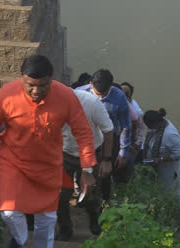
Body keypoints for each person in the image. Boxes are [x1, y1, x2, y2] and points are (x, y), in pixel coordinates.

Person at [0, 55, 97, 248]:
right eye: (30, 85)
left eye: (43, 85)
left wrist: (87, 170)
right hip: (13, 163)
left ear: (51, 79)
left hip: (48, 167)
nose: (36, 91)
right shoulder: (6, 95)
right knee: (9, 213)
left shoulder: (65, 96)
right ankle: (22, 241)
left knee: (47, 220)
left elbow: (83, 132)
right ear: (21, 77)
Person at [58, 88, 113, 240]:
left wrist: (107, 160)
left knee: (90, 191)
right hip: (64, 153)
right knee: (61, 195)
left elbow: (108, 130)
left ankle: (94, 220)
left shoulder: (91, 102)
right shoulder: (50, 103)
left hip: (91, 151)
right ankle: (65, 228)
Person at [77, 69, 132, 199]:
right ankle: (84, 196)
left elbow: (126, 125)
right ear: (91, 84)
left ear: (111, 86)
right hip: (86, 140)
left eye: (104, 95)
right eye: (98, 94)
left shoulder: (119, 97)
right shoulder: (79, 93)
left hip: (109, 141)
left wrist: (123, 152)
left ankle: (105, 201)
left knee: (105, 173)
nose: (101, 98)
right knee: (83, 171)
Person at [143, 108, 180, 206]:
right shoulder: (159, 125)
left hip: (170, 171)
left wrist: (161, 159)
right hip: (158, 168)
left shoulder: (170, 134)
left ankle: (176, 214)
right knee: (159, 192)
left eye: (150, 127)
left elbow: (179, 154)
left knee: (171, 193)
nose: (149, 129)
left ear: (156, 124)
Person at [121, 81, 147, 165]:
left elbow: (142, 129)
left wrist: (135, 145)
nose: (123, 94)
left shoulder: (137, 111)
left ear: (130, 95)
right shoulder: (121, 103)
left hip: (134, 147)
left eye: (126, 93)